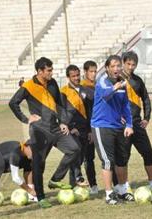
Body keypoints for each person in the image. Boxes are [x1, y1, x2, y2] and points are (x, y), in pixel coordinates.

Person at [9, 57, 80, 208]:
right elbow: (13, 102)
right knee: (38, 163)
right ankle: (40, 197)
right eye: (48, 70)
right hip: (39, 130)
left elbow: (60, 104)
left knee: (74, 149)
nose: (51, 72)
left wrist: (63, 122)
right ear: (40, 71)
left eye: (51, 69)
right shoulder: (28, 86)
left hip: (55, 127)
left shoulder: (53, 82)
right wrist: (26, 118)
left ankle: (55, 179)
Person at [116, 51, 152, 196]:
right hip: (123, 126)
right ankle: (124, 187)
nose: (131, 67)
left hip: (137, 124)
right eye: (128, 64)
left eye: (134, 64)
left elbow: (146, 99)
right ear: (123, 62)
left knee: (148, 153)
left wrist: (147, 117)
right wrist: (118, 118)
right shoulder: (116, 80)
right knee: (123, 157)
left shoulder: (138, 81)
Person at [91, 55, 134, 205]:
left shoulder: (123, 84)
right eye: (113, 66)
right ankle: (109, 194)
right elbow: (105, 95)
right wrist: (115, 87)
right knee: (108, 161)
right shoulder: (102, 81)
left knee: (122, 160)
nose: (116, 69)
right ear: (108, 68)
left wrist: (129, 124)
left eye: (118, 66)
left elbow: (126, 107)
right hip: (101, 126)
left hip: (118, 126)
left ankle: (122, 190)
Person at [60, 65, 91, 188]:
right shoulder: (63, 92)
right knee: (74, 153)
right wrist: (70, 127)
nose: (76, 78)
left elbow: (89, 112)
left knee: (79, 158)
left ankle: (72, 187)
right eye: (73, 76)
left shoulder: (85, 90)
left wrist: (90, 131)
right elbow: (61, 111)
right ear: (68, 77)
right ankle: (79, 177)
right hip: (72, 130)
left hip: (85, 130)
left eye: (78, 75)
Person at [81, 60, 98, 194]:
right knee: (89, 157)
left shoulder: (98, 86)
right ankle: (93, 185)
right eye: (91, 71)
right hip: (89, 129)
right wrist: (89, 130)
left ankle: (116, 183)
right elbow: (84, 112)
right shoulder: (82, 88)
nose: (93, 74)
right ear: (85, 72)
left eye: (95, 71)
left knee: (108, 157)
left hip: (102, 126)